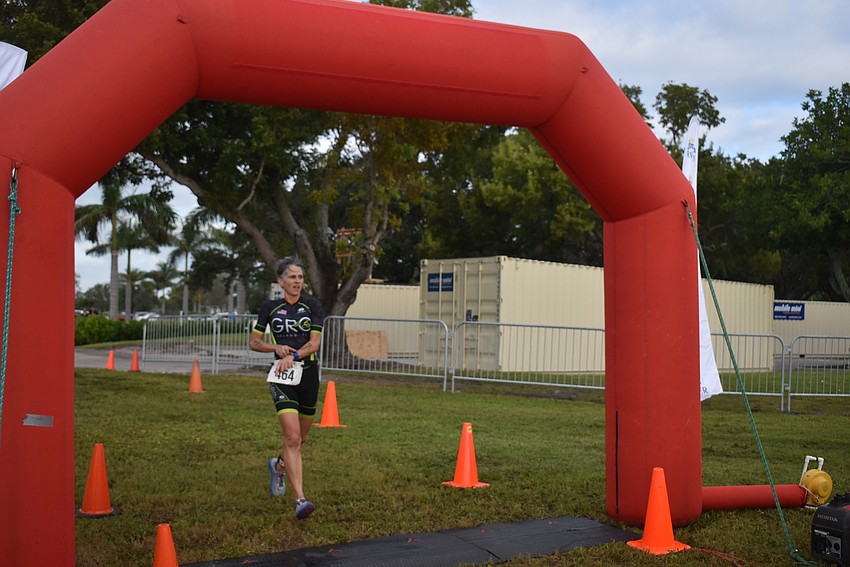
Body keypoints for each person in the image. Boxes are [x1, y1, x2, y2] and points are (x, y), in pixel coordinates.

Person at [250, 256, 324, 520]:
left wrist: (293, 355)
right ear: (280, 281)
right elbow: (255, 342)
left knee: (301, 438)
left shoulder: (312, 305)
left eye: (300, 277)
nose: (297, 281)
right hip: (281, 376)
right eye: (292, 277)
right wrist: (277, 348)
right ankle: (300, 500)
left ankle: (279, 465)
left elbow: (314, 343)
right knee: (292, 438)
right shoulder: (270, 308)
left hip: (308, 375)